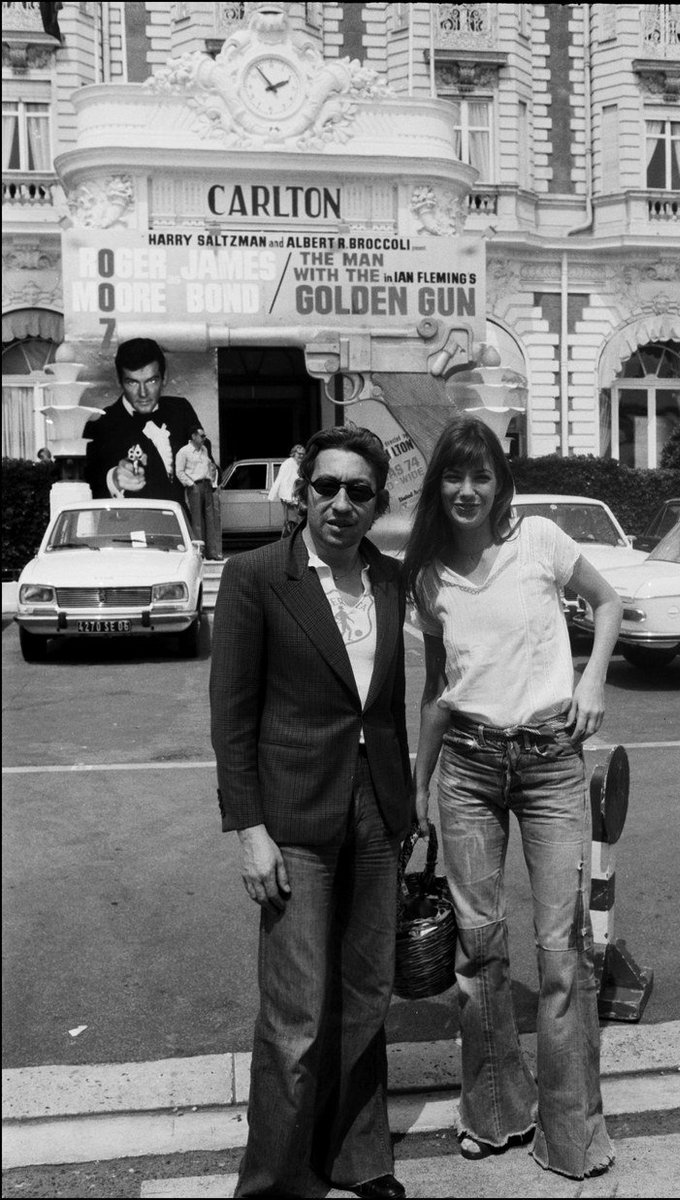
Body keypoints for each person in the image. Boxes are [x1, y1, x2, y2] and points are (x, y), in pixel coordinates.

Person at [404, 416, 623, 1181]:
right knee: (479, 949)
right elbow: (437, 690)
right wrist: (417, 785)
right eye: (454, 477)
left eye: (481, 476)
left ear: (500, 483)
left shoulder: (537, 543)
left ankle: (569, 1133)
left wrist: (591, 680)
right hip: (464, 765)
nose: (467, 490)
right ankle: (493, 1110)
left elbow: (606, 602)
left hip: (549, 762)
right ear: (439, 486)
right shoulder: (428, 575)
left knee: (562, 952)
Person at [210, 426, 413, 1200]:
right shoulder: (257, 576)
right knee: (294, 1018)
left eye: (357, 491)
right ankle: (275, 1182)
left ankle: (360, 1158)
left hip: (376, 813)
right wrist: (250, 831)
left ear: (377, 503)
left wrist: (403, 805)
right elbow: (232, 717)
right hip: (293, 818)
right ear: (302, 493)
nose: (338, 503)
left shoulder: (389, 582)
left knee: (366, 997)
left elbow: (385, 707)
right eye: (325, 486)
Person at [83, 338, 202, 508]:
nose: (143, 393)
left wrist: (206, 466)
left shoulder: (181, 410)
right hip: (123, 531)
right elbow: (87, 488)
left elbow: (205, 458)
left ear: (164, 378)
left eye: (151, 381)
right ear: (119, 381)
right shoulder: (99, 424)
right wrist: (114, 479)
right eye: (132, 382)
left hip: (176, 530)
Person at [175, 426, 223, 559]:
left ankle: (212, 552)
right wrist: (191, 484)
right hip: (194, 486)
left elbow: (208, 467)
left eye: (204, 436)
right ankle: (199, 552)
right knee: (197, 520)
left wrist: (212, 482)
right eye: (202, 436)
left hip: (206, 485)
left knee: (210, 518)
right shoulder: (184, 452)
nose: (204, 439)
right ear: (193, 436)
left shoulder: (204, 449)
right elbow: (179, 471)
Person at [268, 443, 305, 535]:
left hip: (297, 497)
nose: (301, 456)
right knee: (291, 521)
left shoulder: (300, 464)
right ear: (294, 453)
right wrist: (289, 499)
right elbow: (282, 481)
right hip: (289, 498)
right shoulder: (288, 464)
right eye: (299, 453)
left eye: (303, 454)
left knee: (296, 521)